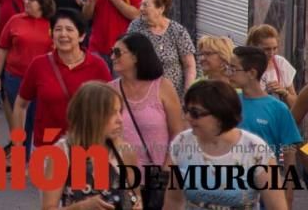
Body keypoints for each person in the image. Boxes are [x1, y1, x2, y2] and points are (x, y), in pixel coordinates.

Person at [166, 80, 285, 210]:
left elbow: (277, 206)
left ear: (220, 114)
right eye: (185, 110)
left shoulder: (256, 150)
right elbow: (173, 201)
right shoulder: (182, 143)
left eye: (195, 113)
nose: (187, 117)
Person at [13, 9, 112, 147]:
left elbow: (111, 107)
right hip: (47, 144)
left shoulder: (97, 66)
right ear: (52, 34)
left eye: (69, 29)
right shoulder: (39, 64)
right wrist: (17, 143)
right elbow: (20, 105)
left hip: (87, 144)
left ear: (82, 36)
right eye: (58, 29)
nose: (63, 34)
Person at [109, 33, 184, 208]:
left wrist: (167, 168)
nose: (112, 57)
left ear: (135, 56)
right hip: (121, 178)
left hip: (157, 177)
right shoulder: (109, 90)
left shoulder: (163, 86)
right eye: (112, 52)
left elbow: (177, 131)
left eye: (118, 52)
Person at [40, 82, 141, 210]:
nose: (120, 119)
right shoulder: (62, 152)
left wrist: (136, 203)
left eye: (119, 111)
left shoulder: (125, 151)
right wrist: (81, 207)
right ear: (91, 116)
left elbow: (136, 196)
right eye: (112, 113)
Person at [228, 45, 302, 209]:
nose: (228, 73)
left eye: (233, 69)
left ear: (252, 73)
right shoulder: (228, 103)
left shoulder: (278, 109)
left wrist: (288, 194)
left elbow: (290, 155)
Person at [0, 0, 55, 138]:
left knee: (36, 122)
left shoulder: (53, 24)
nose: (26, 2)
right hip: (15, 78)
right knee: (18, 123)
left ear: (42, 2)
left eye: (31, 0)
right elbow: (2, 48)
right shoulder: (15, 20)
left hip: (42, 81)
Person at [127, 0, 196, 99]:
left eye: (145, 5)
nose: (140, 9)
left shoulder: (177, 31)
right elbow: (128, 59)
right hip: (144, 94)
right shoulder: (135, 27)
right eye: (141, 4)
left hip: (173, 96)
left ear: (161, 9)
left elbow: (189, 66)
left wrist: (187, 93)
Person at [246, 24, 297, 108]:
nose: (272, 53)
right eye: (267, 49)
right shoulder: (245, 67)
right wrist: (264, 93)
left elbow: (295, 105)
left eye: (275, 48)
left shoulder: (281, 63)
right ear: (254, 46)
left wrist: (284, 92)